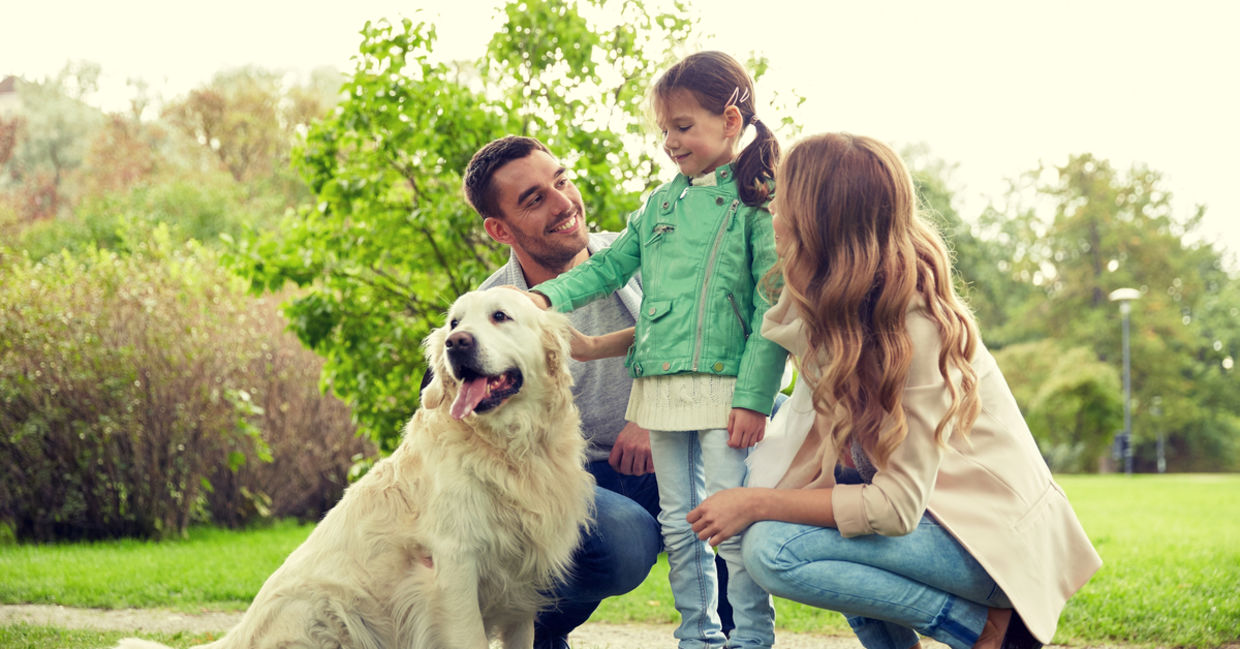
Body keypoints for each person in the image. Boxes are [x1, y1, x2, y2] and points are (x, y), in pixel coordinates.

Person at [685, 132, 1103, 649]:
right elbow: (837, 465)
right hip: (939, 525)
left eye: (784, 196)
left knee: (777, 549)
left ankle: (985, 634)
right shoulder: (839, 305)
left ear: (818, 220)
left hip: (991, 547)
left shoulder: (915, 326)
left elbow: (895, 507)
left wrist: (755, 502)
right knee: (810, 517)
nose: (772, 207)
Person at [526, 51, 787, 649]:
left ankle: (751, 637)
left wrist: (754, 399)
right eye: (664, 129)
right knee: (679, 522)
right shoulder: (658, 207)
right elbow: (607, 264)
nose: (670, 141)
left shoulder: (758, 206)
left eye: (683, 126)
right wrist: (546, 300)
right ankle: (697, 636)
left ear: (729, 120)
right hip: (660, 390)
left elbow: (773, 315)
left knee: (728, 519)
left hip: (728, 392)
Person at [460, 135, 733, 649]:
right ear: (499, 229)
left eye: (561, 180)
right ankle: (532, 631)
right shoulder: (492, 311)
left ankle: (733, 638)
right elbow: (453, 422)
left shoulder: (643, 252)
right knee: (625, 541)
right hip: (574, 480)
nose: (564, 203)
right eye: (534, 199)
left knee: (771, 423)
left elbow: (711, 333)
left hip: (672, 439)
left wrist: (653, 411)